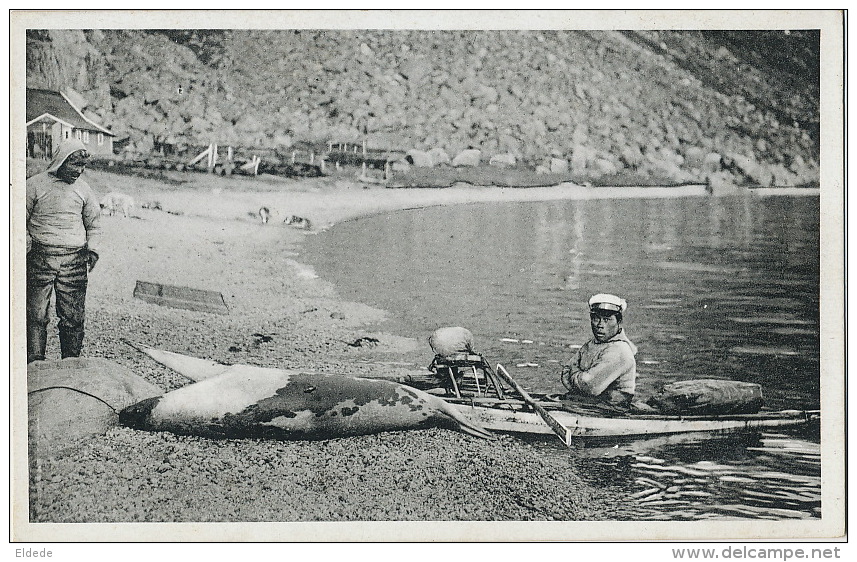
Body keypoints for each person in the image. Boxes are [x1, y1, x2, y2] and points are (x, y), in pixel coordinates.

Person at [26, 139, 102, 363]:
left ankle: (71, 364)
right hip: (40, 258)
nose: (79, 171)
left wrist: (93, 249)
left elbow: (94, 224)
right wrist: (25, 246)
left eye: (83, 166)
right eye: (74, 165)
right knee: (36, 315)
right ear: (60, 162)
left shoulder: (83, 189)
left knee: (72, 317)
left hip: (74, 262)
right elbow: (15, 220)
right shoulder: (34, 185)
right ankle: (34, 364)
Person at [560, 293, 638, 407]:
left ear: (618, 322)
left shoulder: (619, 350)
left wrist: (577, 375)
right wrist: (581, 379)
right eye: (596, 319)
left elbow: (589, 386)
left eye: (607, 320)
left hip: (611, 410)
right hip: (587, 404)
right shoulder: (592, 344)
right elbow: (565, 372)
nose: (600, 325)